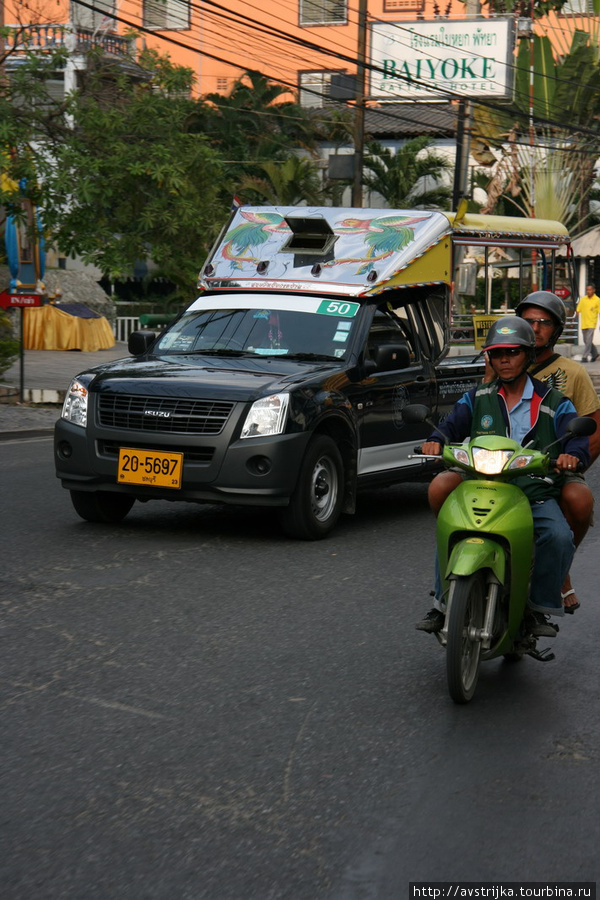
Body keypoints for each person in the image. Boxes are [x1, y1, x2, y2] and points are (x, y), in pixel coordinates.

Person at [415, 317, 590, 638]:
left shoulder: (553, 402)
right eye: (497, 354)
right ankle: (442, 603)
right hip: (482, 485)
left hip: (534, 489)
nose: (504, 360)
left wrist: (572, 456)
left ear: (529, 356)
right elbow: (451, 426)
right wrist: (435, 440)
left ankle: (540, 605)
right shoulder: (477, 397)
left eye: (512, 352)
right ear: (490, 359)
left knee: (558, 536)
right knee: (450, 522)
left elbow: (576, 436)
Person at [515, 291, 600, 612]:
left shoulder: (572, 373)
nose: (535, 329)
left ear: (557, 330)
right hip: (502, 463)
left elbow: (594, 426)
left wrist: (572, 464)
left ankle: (560, 567)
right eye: (527, 321)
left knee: (579, 501)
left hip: (553, 465)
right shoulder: (501, 359)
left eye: (543, 323)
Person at [576, 284, 600, 363]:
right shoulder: (583, 299)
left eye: (590, 290)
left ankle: (584, 357)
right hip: (584, 323)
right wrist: (573, 320)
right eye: (587, 290)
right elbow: (578, 309)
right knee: (586, 341)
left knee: (589, 340)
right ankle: (595, 354)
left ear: (594, 290)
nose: (588, 291)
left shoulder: (597, 300)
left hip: (592, 323)